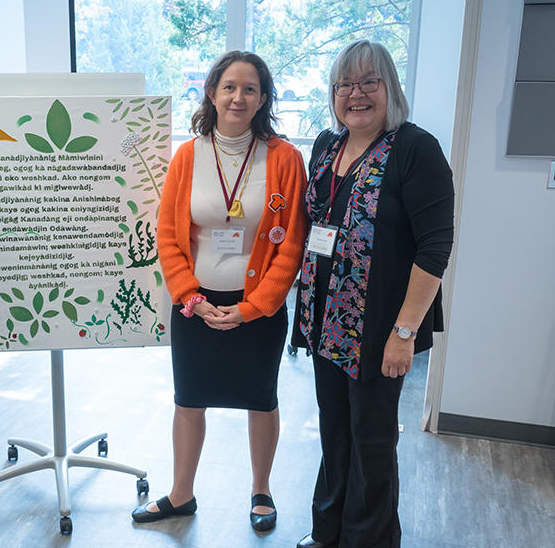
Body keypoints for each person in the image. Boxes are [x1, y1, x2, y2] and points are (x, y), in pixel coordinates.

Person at [131, 51, 307, 531]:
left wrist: (254, 308)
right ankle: (181, 494)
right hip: (196, 306)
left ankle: (261, 489)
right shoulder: (188, 155)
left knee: (260, 398)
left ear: (263, 99)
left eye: (250, 88)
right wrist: (190, 296)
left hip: (259, 308)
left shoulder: (286, 158)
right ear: (211, 92)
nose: (238, 96)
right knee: (189, 399)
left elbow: (291, 242)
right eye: (229, 86)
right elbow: (167, 234)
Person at [290, 40, 454, 548]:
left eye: (368, 83)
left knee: (373, 441)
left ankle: (370, 540)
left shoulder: (414, 148)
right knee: (334, 431)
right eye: (344, 85)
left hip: (381, 325)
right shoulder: (325, 145)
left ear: (390, 88)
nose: (355, 94)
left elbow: (435, 247)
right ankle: (327, 532)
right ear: (333, 94)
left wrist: (404, 333)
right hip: (326, 320)